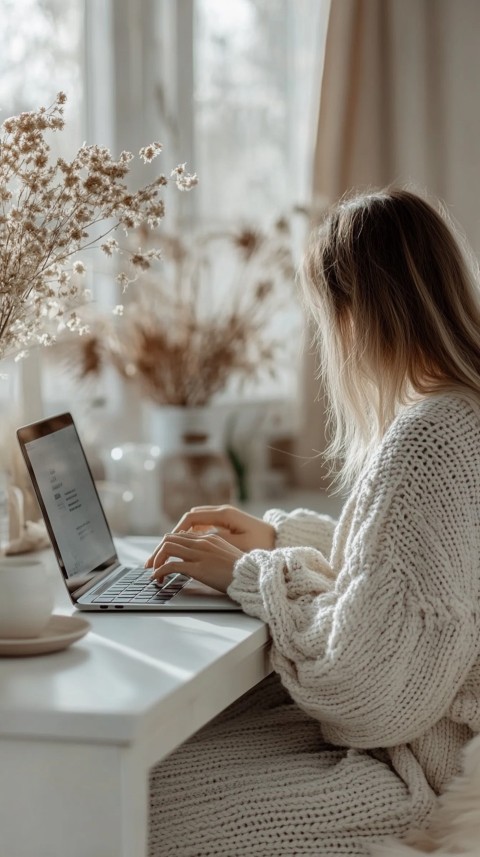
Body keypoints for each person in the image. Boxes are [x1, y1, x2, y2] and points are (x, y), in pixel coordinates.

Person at [145, 187, 480, 856]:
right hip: (422, 742)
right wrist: (279, 540)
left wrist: (254, 574)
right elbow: (418, 576)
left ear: (354, 313)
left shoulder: (429, 439)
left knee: (134, 802)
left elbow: (370, 694)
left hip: (414, 765)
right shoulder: (461, 413)